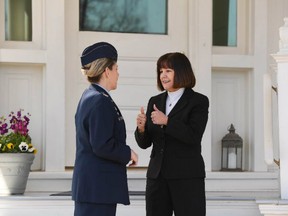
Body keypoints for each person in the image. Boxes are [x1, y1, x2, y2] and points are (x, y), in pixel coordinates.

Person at [135, 52, 209, 216]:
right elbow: (145, 143)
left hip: (187, 177)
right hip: (157, 177)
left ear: (182, 72)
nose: (163, 75)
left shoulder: (198, 101)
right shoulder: (154, 101)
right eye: (161, 71)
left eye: (168, 71)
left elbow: (193, 136)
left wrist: (167, 121)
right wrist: (141, 129)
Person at [72, 41, 138, 216]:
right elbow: (101, 145)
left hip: (94, 189)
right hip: (97, 190)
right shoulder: (99, 101)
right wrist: (128, 153)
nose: (118, 73)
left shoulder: (90, 96)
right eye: (116, 68)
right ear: (107, 71)